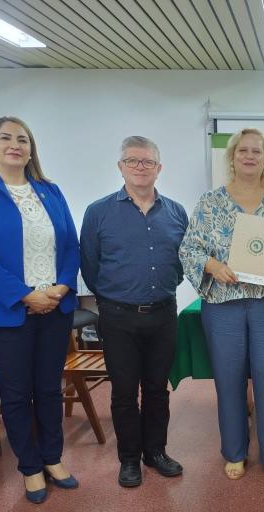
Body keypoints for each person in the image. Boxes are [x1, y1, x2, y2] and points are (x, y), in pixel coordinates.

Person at [0, 116, 80, 504]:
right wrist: (27, 295)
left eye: (22, 139)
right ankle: (29, 466)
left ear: (31, 149)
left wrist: (61, 287)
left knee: (48, 387)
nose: (15, 145)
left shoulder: (50, 190)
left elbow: (71, 247)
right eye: (6, 138)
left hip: (55, 308)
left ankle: (53, 458)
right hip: (7, 312)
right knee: (14, 392)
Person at [179, 128, 264, 483]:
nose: (250, 156)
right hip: (223, 304)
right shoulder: (209, 204)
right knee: (228, 378)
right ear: (232, 158)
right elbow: (189, 249)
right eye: (243, 151)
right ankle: (234, 452)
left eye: (257, 151)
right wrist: (213, 266)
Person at [80, 136, 188, 488]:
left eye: (147, 162)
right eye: (132, 160)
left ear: (159, 168)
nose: (140, 167)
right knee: (124, 392)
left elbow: (182, 265)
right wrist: (115, 297)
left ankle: (155, 452)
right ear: (120, 167)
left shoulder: (176, 212)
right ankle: (129, 459)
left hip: (162, 313)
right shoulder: (98, 212)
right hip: (118, 316)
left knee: (158, 389)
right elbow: (89, 266)